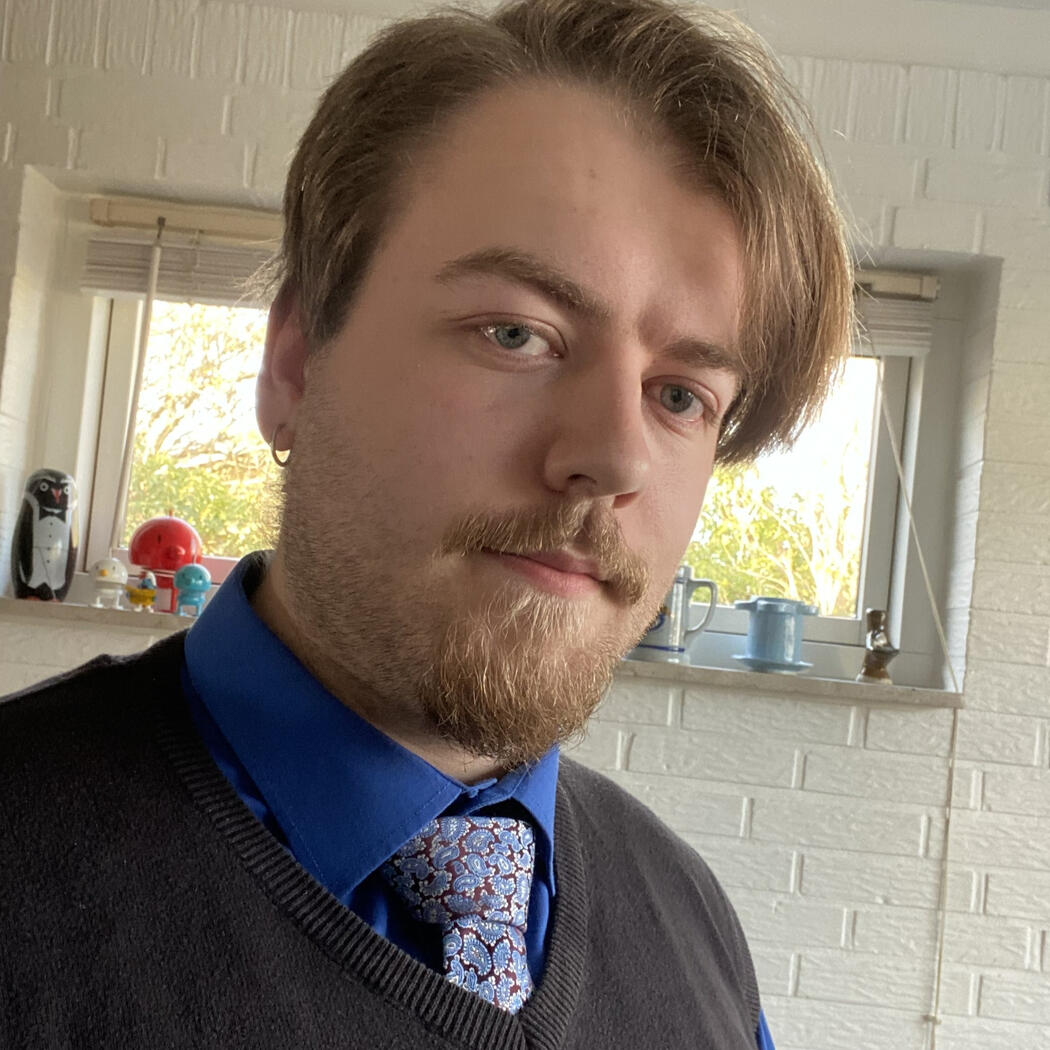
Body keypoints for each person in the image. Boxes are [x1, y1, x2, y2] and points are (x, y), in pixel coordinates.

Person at [0, 0, 852, 1046]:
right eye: (517, 334)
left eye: (682, 396)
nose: (616, 456)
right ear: (296, 365)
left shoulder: (694, 927)